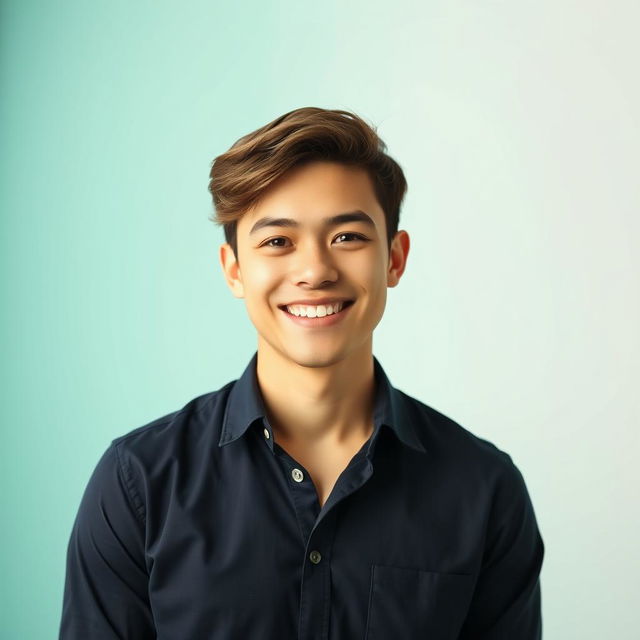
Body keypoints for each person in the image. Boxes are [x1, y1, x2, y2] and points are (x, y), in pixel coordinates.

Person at [59, 106, 545, 639]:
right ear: (235, 270)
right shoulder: (139, 484)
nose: (314, 270)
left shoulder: (484, 490)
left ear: (394, 259)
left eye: (348, 237)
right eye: (277, 241)